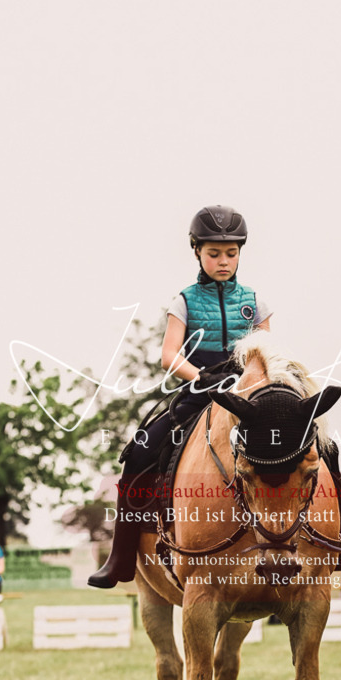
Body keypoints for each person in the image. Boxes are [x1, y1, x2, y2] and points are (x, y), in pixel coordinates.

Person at [89, 205, 271, 589]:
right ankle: (121, 558)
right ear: (197, 252)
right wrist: (207, 378)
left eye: (231, 253)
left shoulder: (257, 301)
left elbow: (267, 354)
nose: (223, 261)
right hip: (201, 390)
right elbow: (169, 356)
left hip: (248, 394)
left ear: (241, 252)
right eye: (213, 253)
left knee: (316, 445)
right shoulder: (184, 301)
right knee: (139, 453)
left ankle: (338, 539)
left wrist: (244, 383)